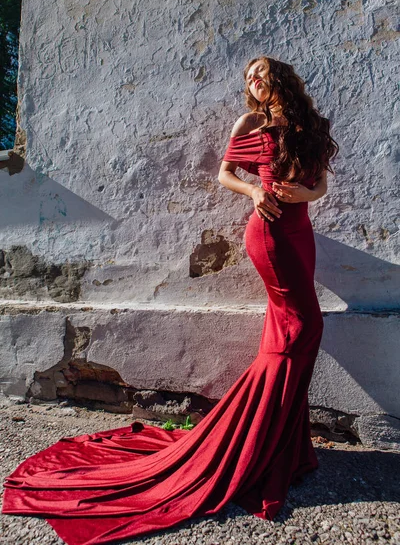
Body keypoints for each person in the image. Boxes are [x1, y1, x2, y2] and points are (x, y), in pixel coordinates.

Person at [2, 56, 338, 545]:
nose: (252, 82)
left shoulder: (308, 126)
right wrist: (253, 191)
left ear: (280, 77)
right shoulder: (251, 123)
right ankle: (263, 445)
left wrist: (301, 194)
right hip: (268, 233)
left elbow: (321, 185)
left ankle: (283, 446)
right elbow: (227, 173)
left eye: (259, 73)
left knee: (291, 331)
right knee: (303, 329)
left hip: (299, 232)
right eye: (247, 78)